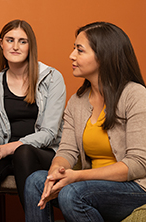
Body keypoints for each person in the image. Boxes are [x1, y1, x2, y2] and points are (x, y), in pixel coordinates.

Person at [24, 21, 146, 222]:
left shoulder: (135, 95)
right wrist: (56, 171)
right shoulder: (77, 101)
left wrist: (77, 176)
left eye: (79, 50)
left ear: (104, 56)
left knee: (73, 193)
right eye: (74, 49)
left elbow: (138, 164)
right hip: (92, 185)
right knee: (36, 181)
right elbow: (67, 151)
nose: (72, 55)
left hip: (135, 187)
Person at [0, 19, 66, 221]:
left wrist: (11, 147)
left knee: (23, 152)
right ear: (1, 44)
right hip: (7, 151)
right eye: (10, 40)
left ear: (30, 46)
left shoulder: (52, 78)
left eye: (22, 41)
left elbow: (50, 133)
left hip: (44, 152)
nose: (15, 46)